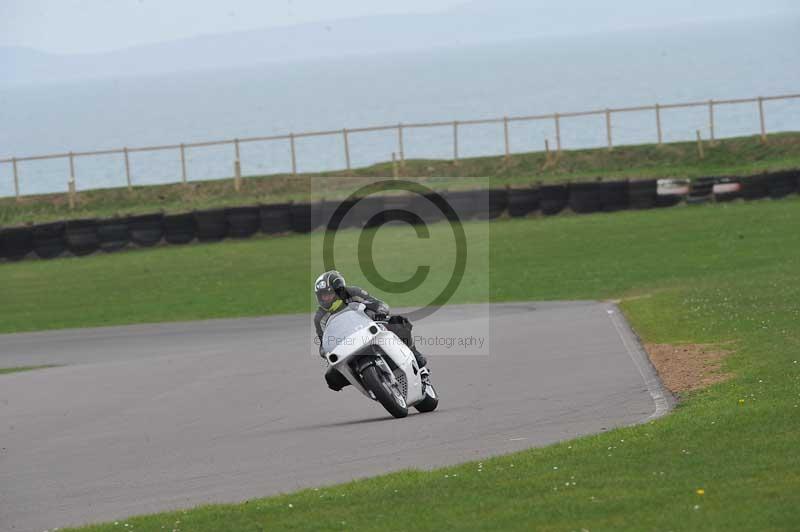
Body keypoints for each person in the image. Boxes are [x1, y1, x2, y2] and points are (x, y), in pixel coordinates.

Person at [314, 270, 429, 391]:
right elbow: (323, 343)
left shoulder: (353, 293)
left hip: (369, 331)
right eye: (322, 295)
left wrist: (380, 311)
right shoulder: (320, 318)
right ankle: (367, 382)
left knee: (399, 323)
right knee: (331, 378)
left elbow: (379, 304)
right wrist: (325, 351)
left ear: (339, 290)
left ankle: (415, 355)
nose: (325, 299)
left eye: (328, 294)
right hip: (346, 346)